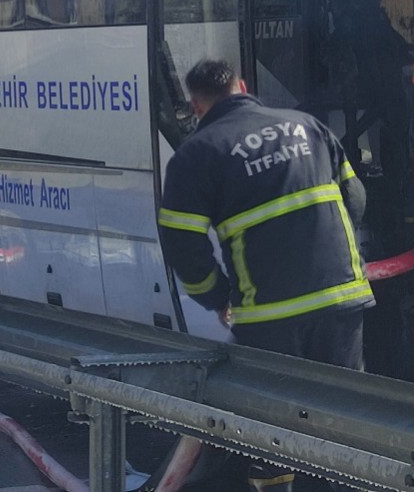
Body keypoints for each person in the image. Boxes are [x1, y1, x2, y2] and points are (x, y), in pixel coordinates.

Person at [157, 58, 373, 492]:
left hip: (271, 316)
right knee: (343, 419)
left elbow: (182, 245)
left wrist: (218, 298)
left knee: (275, 426)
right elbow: (355, 197)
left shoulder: (196, 155)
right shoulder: (306, 126)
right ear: (241, 85)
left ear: (196, 107)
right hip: (341, 298)